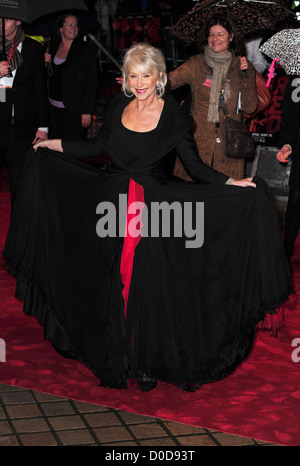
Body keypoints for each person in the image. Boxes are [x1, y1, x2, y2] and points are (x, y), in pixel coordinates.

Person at [3, 43, 292, 393]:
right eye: (132, 76)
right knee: (113, 283)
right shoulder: (118, 105)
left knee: (146, 285)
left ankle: (146, 360)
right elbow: (96, 148)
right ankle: (120, 353)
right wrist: (53, 144)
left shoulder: (174, 116)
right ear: (126, 78)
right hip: (110, 204)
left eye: (146, 75)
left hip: (153, 212)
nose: (139, 83)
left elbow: (195, 166)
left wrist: (232, 182)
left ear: (159, 77)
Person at [167, 14, 258, 181]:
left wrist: (246, 75)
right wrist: (144, 79)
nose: (215, 39)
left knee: (224, 203)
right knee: (194, 202)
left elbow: (250, 107)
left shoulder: (241, 66)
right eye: (211, 34)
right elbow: (169, 81)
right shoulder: (196, 64)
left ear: (231, 37)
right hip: (197, 148)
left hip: (229, 150)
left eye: (220, 34)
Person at [0, 17, 49, 208]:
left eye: (7, 19)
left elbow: (39, 90)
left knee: (19, 185)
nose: (1, 23)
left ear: (19, 22)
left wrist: (43, 126)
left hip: (19, 128)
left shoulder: (33, 49)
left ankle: (18, 235)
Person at [44, 13, 98, 139]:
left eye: (76, 25)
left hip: (74, 109)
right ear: (60, 28)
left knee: (72, 149)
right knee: (55, 148)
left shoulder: (86, 49)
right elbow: (48, 75)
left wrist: (87, 111)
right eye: (69, 24)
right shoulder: (52, 46)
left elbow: (91, 81)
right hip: (53, 109)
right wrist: (44, 63)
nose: (73, 28)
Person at [276, 76, 300, 261]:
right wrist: (287, 144)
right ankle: (286, 250)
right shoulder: (297, 79)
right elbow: (290, 115)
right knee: (296, 200)